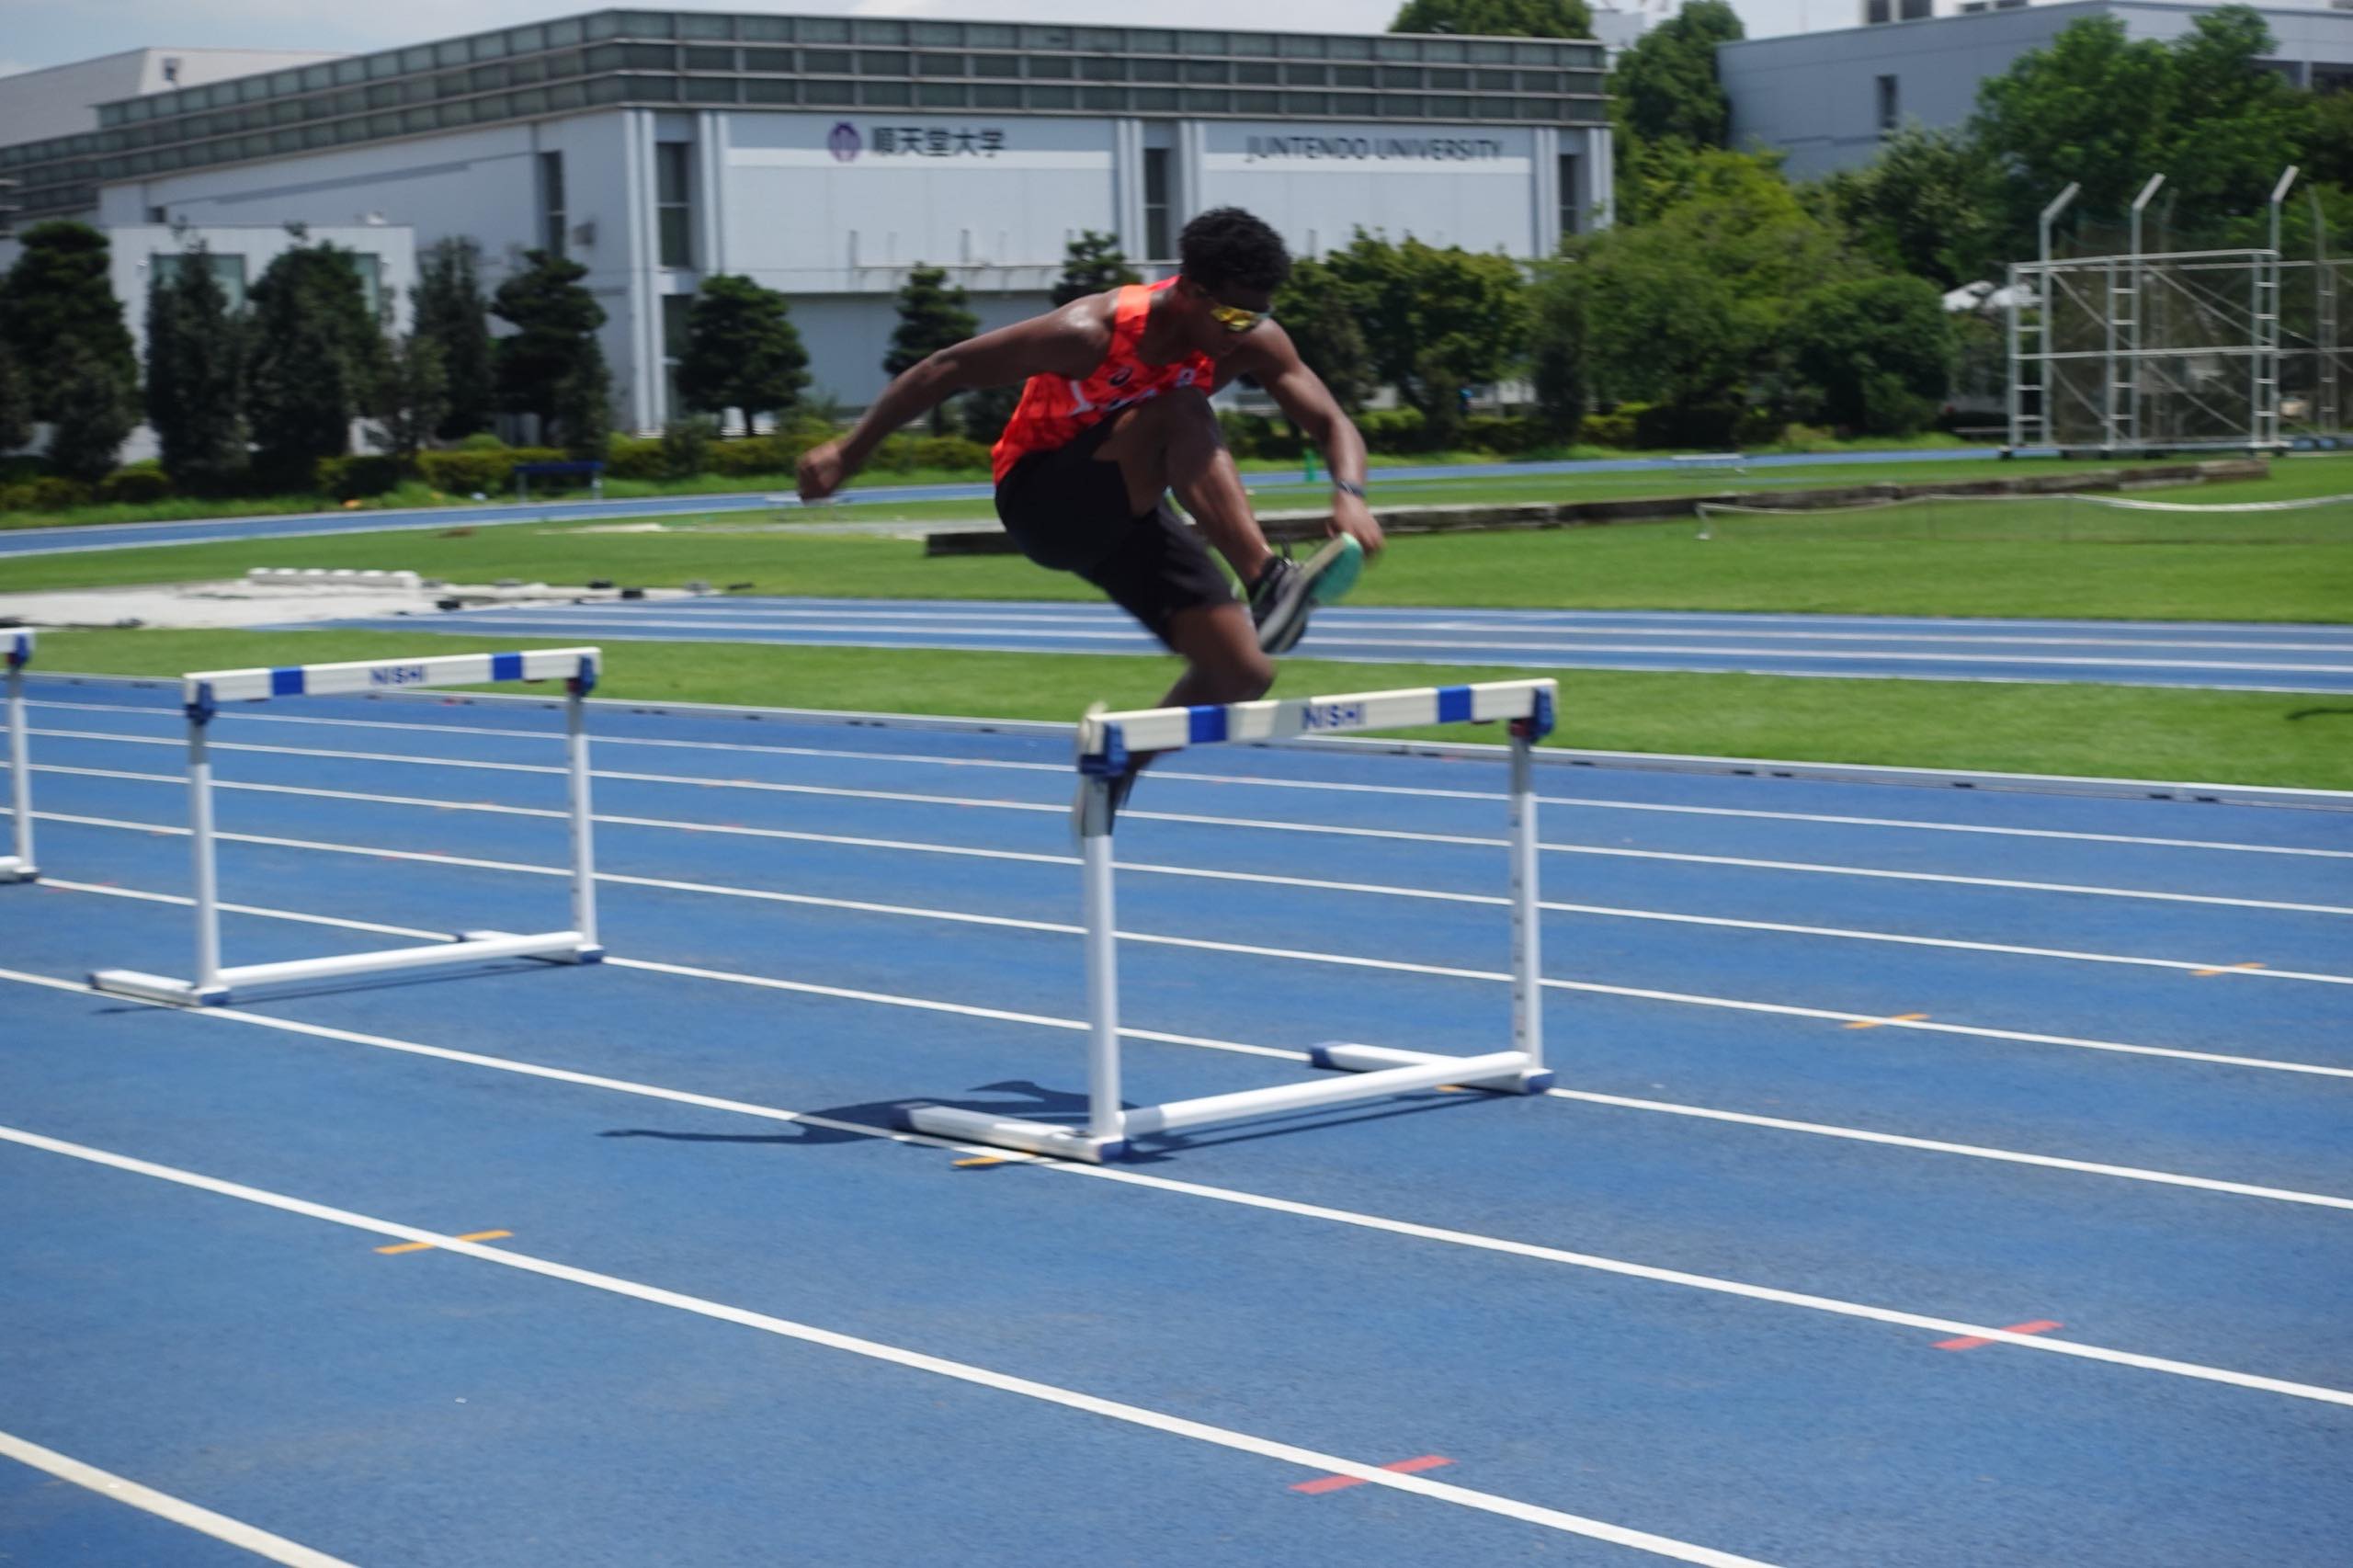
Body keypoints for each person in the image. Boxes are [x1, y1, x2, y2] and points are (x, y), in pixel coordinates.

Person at [797, 206, 1381, 824]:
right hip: (1043, 499)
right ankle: (1268, 580)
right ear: (1188, 289)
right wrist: (848, 452)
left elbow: (1331, 421)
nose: (1244, 332)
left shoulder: (1251, 338)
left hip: (1127, 513)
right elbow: (946, 368)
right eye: (1233, 315)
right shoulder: (1089, 332)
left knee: (1241, 672)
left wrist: (1350, 494)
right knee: (1179, 407)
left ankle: (1115, 765)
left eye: (1257, 316)